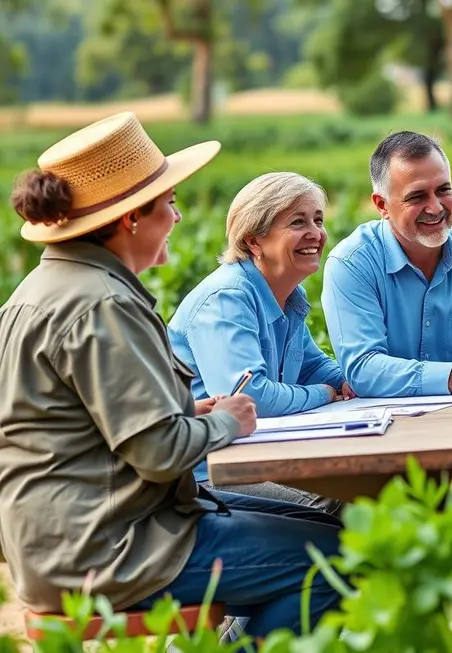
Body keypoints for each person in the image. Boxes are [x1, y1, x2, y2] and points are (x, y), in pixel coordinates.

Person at [0, 112, 341, 638]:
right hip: (107, 546)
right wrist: (226, 420)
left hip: (70, 536)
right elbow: (160, 454)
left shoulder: (43, 290)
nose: (178, 219)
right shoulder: (103, 304)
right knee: (332, 560)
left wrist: (191, 414)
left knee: (326, 526)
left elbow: (99, 431)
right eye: (171, 203)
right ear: (133, 217)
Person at [168, 171, 352, 515]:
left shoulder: (285, 295)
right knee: (334, 504)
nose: (316, 233)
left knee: (361, 486)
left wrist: (347, 380)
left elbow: (313, 364)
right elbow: (252, 397)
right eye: (298, 222)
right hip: (208, 472)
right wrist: (326, 393)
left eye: (318, 219)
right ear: (254, 241)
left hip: (258, 456)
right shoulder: (227, 297)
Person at [322, 131, 452, 398]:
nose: (435, 207)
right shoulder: (351, 264)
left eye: (443, 190)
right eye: (417, 197)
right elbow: (363, 369)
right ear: (381, 205)